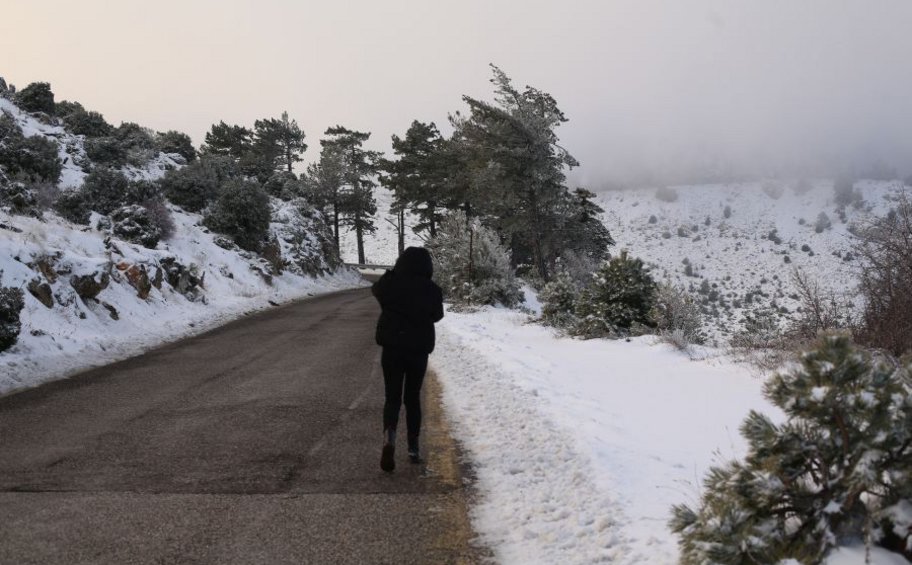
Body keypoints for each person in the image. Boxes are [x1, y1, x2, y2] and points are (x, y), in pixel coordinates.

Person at [371, 247, 444, 472]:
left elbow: (377, 290)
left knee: (392, 397)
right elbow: (437, 315)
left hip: (392, 349)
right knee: (412, 397)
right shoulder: (431, 289)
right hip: (418, 351)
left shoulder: (390, 283)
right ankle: (413, 447)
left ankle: (389, 438)